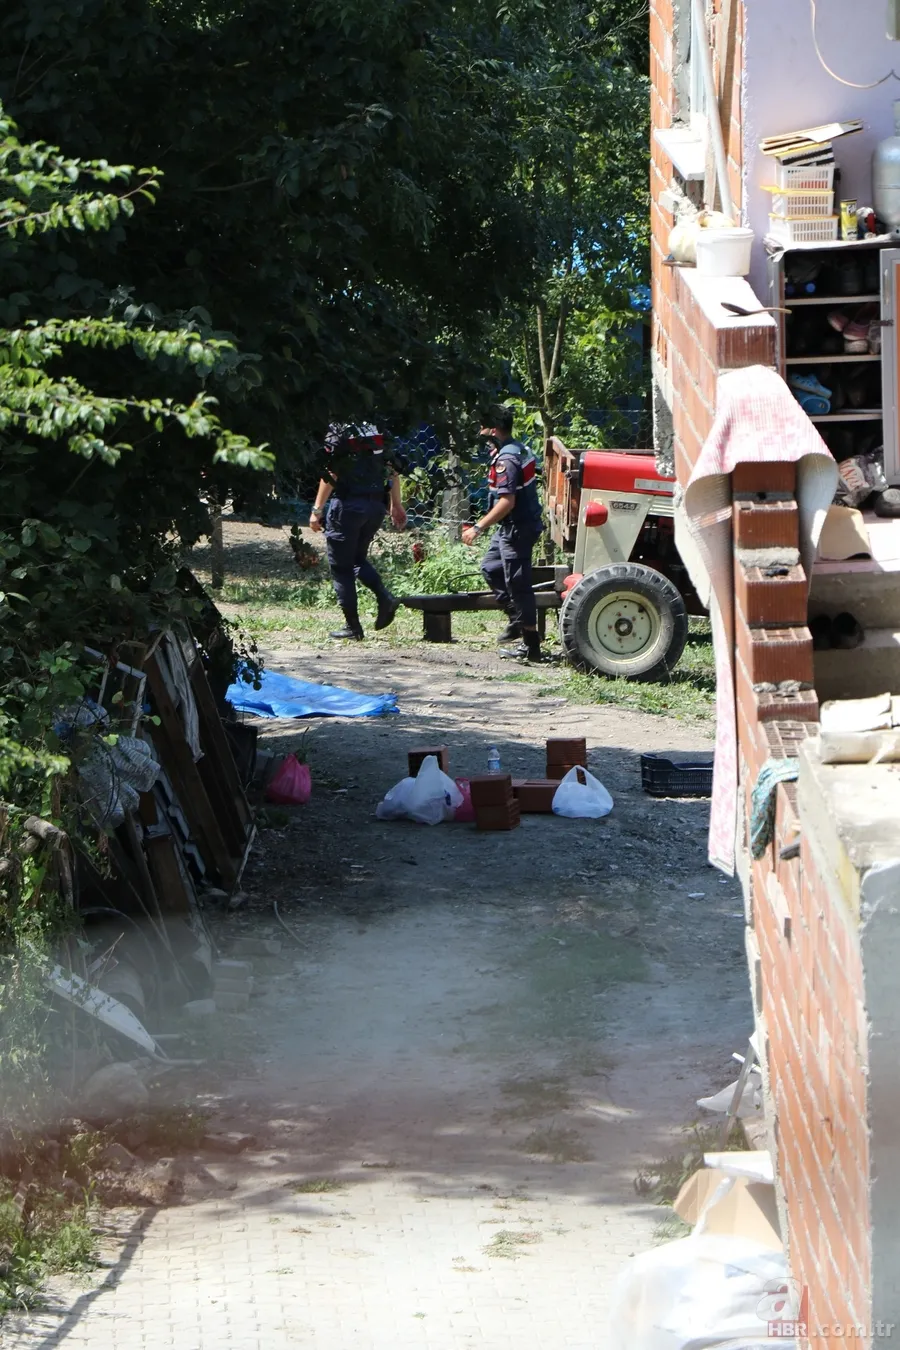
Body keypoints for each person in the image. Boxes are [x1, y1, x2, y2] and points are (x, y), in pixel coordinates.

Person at [309, 421, 407, 640]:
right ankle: (384, 598)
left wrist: (317, 510)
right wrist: (396, 504)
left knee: (342, 567)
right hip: (375, 505)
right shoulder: (379, 426)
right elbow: (393, 467)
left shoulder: (339, 428)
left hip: (348, 505)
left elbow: (332, 471)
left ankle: (354, 627)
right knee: (356, 559)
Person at [461, 404, 544, 663]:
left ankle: (531, 646)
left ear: (494, 430)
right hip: (510, 527)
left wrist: (478, 527)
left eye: (483, 427)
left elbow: (507, 502)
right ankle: (517, 620)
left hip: (517, 528)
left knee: (518, 585)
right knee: (491, 568)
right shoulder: (516, 449)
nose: (480, 432)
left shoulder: (507, 460)